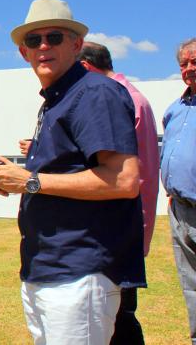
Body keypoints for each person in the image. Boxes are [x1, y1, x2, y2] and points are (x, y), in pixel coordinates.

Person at [0, 0, 145, 344]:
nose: (43, 46)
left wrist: (31, 181)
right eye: (33, 40)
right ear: (24, 53)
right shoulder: (58, 99)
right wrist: (19, 181)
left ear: (76, 45)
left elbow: (124, 179)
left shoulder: (95, 94)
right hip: (47, 267)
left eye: (54, 37)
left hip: (79, 271)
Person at [79, 42, 158, 345]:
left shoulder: (116, 99)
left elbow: (122, 176)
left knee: (117, 316)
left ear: (85, 67)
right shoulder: (134, 97)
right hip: (132, 221)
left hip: (119, 225)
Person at [162, 37, 196, 344]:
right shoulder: (174, 110)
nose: (189, 69)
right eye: (183, 64)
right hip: (180, 209)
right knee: (191, 285)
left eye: (194, 61)